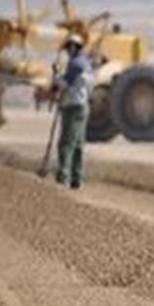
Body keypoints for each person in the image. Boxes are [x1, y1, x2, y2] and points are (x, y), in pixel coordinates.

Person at [55, 33, 94, 189]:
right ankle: (76, 179)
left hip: (73, 106)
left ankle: (62, 178)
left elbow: (65, 84)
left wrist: (56, 76)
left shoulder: (75, 64)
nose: (67, 52)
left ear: (73, 47)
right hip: (83, 106)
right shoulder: (86, 63)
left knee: (66, 143)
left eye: (68, 48)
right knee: (78, 144)